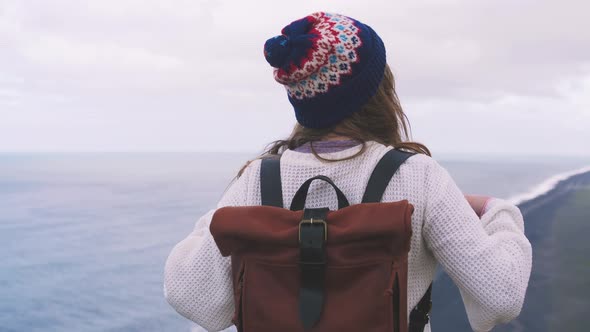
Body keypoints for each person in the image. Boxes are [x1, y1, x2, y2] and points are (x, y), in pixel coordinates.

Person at [164, 12, 532, 332]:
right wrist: (498, 213)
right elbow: (499, 297)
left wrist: (217, 217)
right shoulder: (418, 177)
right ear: (376, 91)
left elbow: (189, 293)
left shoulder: (257, 181)